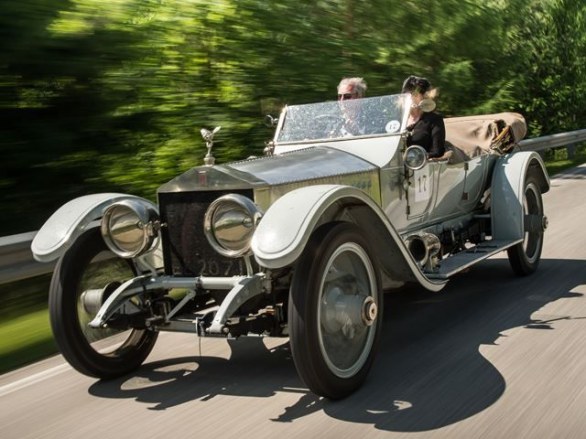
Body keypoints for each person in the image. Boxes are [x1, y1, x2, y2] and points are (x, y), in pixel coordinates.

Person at [402, 75, 446, 159]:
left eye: (415, 94)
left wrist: (418, 158)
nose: (410, 98)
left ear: (424, 97)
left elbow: (437, 152)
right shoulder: (398, 121)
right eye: (407, 94)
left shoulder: (434, 120)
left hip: (421, 168)